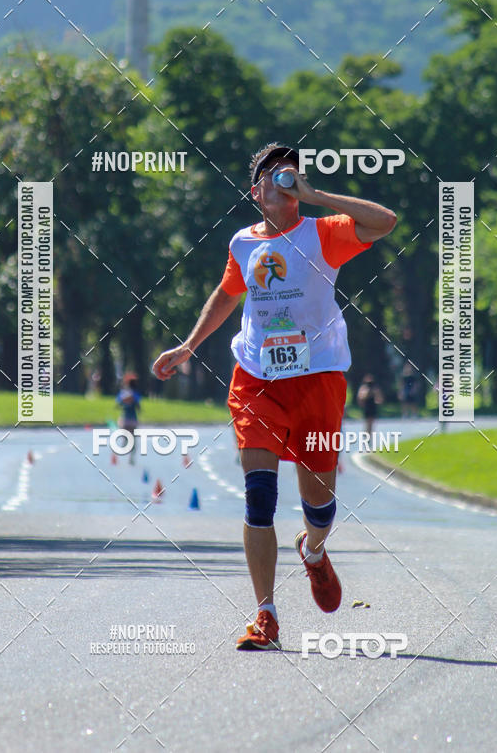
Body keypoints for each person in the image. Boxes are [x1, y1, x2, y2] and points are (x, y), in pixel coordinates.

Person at [152, 143, 396, 650]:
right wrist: (189, 345)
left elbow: (385, 221)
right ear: (256, 191)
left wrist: (317, 194)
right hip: (256, 378)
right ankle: (265, 614)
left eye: (292, 173)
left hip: (318, 377)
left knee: (320, 509)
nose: (283, 179)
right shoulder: (243, 242)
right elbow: (227, 293)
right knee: (259, 497)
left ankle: (313, 550)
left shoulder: (323, 232)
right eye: (272, 174)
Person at [116, 373, 141, 464]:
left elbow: (118, 404)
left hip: (125, 419)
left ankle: (124, 441)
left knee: (125, 434)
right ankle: (132, 457)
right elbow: (138, 407)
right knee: (133, 440)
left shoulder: (124, 393)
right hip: (133, 420)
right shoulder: (136, 394)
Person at [357, 374, 384, 438]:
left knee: (371, 424)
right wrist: (367, 393)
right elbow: (360, 397)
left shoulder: (375, 388)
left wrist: (376, 394)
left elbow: (380, 399)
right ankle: (366, 435)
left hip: (373, 406)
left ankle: (369, 436)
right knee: (368, 423)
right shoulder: (363, 388)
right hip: (367, 407)